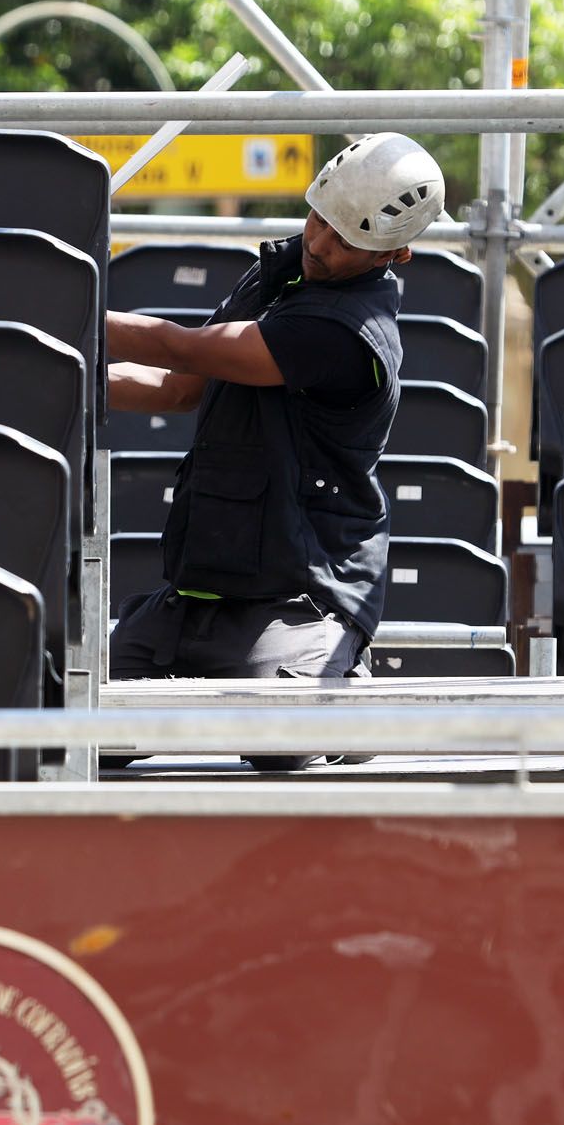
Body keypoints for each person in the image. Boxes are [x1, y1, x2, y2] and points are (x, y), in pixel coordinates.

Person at [103, 133, 448, 766]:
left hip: (300, 590)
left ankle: (342, 691)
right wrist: (52, 374)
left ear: (395, 254)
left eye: (345, 240)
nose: (318, 244)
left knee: (277, 751)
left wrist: (60, 309)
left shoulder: (346, 333)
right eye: (318, 217)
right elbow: (181, 390)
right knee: (83, 738)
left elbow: (184, 348)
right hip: (204, 583)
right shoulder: (281, 272)